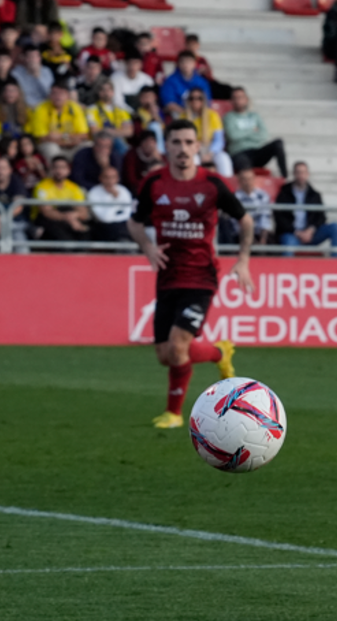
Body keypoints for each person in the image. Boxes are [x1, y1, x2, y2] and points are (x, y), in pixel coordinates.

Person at [127, 119, 251, 429]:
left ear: (198, 147)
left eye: (188, 142)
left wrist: (244, 259)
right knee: (165, 354)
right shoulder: (154, 183)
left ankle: (174, 413)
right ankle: (218, 352)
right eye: (176, 142)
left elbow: (245, 220)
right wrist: (149, 248)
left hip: (201, 277)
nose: (182, 149)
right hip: (168, 277)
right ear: (166, 146)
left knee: (178, 345)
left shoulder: (212, 183)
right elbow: (134, 222)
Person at [274, 161, 337, 257]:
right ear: (294, 174)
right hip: (292, 234)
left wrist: (310, 231)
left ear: (307, 174)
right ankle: (286, 270)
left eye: (303, 172)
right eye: (298, 172)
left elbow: (321, 217)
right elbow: (279, 217)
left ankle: (336, 264)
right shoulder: (284, 193)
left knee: (335, 227)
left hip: (311, 235)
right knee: (288, 244)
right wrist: (297, 233)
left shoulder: (315, 195)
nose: (301, 175)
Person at [223, 87, 287, 178]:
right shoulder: (228, 117)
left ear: (246, 99)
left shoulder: (255, 116)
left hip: (257, 152)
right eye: (235, 98)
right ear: (231, 101)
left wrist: (241, 132)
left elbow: (264, 135)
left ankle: (284, 177)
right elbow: (233, 136)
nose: (238, 100)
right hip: (239, 153)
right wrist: (252, 131)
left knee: (278, 143)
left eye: (240, 97)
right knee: (245, 167)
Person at [32, 154, 87, 245]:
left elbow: (83, 212)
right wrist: (68, 218)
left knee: (84, 233)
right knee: (64, 239)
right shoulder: (42, 187)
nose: (59, 171)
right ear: (51, 169)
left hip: (68, 219)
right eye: (56, 167)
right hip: (47, 221)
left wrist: (74, 216)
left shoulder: (74, 187)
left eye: (62, 168)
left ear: (68, 170)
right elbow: (46, 212)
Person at [28, 79, 88, 161]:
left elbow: (83, 135)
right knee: (51, 147)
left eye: (61, 93)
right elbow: (42, 138)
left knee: (87, 145)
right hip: (53, 146)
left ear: (67, 95)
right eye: (54, 93)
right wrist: (70, 140)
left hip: (72, 145)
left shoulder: (75, 108)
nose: (58, 96)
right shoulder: (41, 109)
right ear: (50, 95)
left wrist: (61, 136)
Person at [180, 89, 231, 177]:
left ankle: (227, 186)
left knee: (224, 158)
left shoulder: (213, 115)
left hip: (210, 148)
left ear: (204, 100)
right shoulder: (182, 117)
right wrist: (194, 150)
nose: (195, 101)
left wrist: (210, 153)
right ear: (188, 101)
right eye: (192, 98)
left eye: (199, 98)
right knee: (193, 159)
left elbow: (219, 140)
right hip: (192, 150)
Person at [85, 164, 130, 241]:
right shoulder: (94, 192)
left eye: (113, 177)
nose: (110, 181)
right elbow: (104, 218)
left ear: (117, 178)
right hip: (104, 227)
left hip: (123, 224)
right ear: (100, 178)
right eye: (106, 177)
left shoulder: (123, 190)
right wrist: (114, 198)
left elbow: (127, 214)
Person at [160, 51, 211, 117]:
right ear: (178, 64)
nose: (185, 64)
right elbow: (169, 104)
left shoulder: (202, 82)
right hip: (178, 115)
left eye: (189, 62)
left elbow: (206, 102)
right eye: (182, 62)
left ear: (194, 64)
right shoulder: (170, 81)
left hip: (199, 115)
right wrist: (188, 115)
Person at [122, 128, 163, 192]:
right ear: (141, 143)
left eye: (152, 141)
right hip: (137, 190)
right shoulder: (132, 156)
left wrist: (159, 160)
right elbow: (131, 180)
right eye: (146, 141)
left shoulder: (161, 157)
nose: (150, 145)